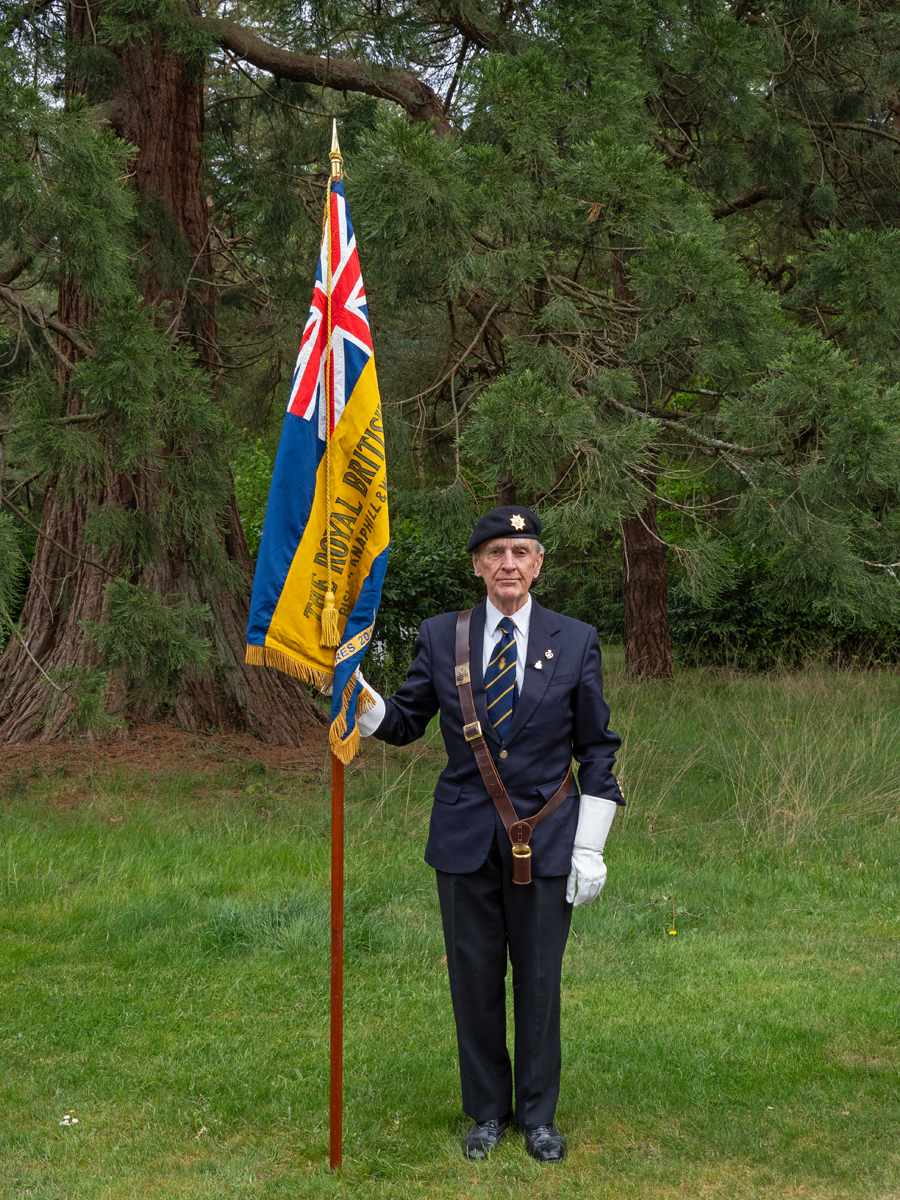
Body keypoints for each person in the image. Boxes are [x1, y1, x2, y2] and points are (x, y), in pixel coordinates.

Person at [357, 505, 624, 1163]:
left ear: (538, 564)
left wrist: (589, 844)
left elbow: (597, 746)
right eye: (497, 552)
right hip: (464, 839)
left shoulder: (577, 638)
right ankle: (485, 1112)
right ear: (478, 564)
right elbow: (405, 721)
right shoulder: (444, 636)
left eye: (522, 552)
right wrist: (360, 700)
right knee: (473, 980)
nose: (510, 564)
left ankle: (538, 1116)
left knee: (538, 981)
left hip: (547, 839)